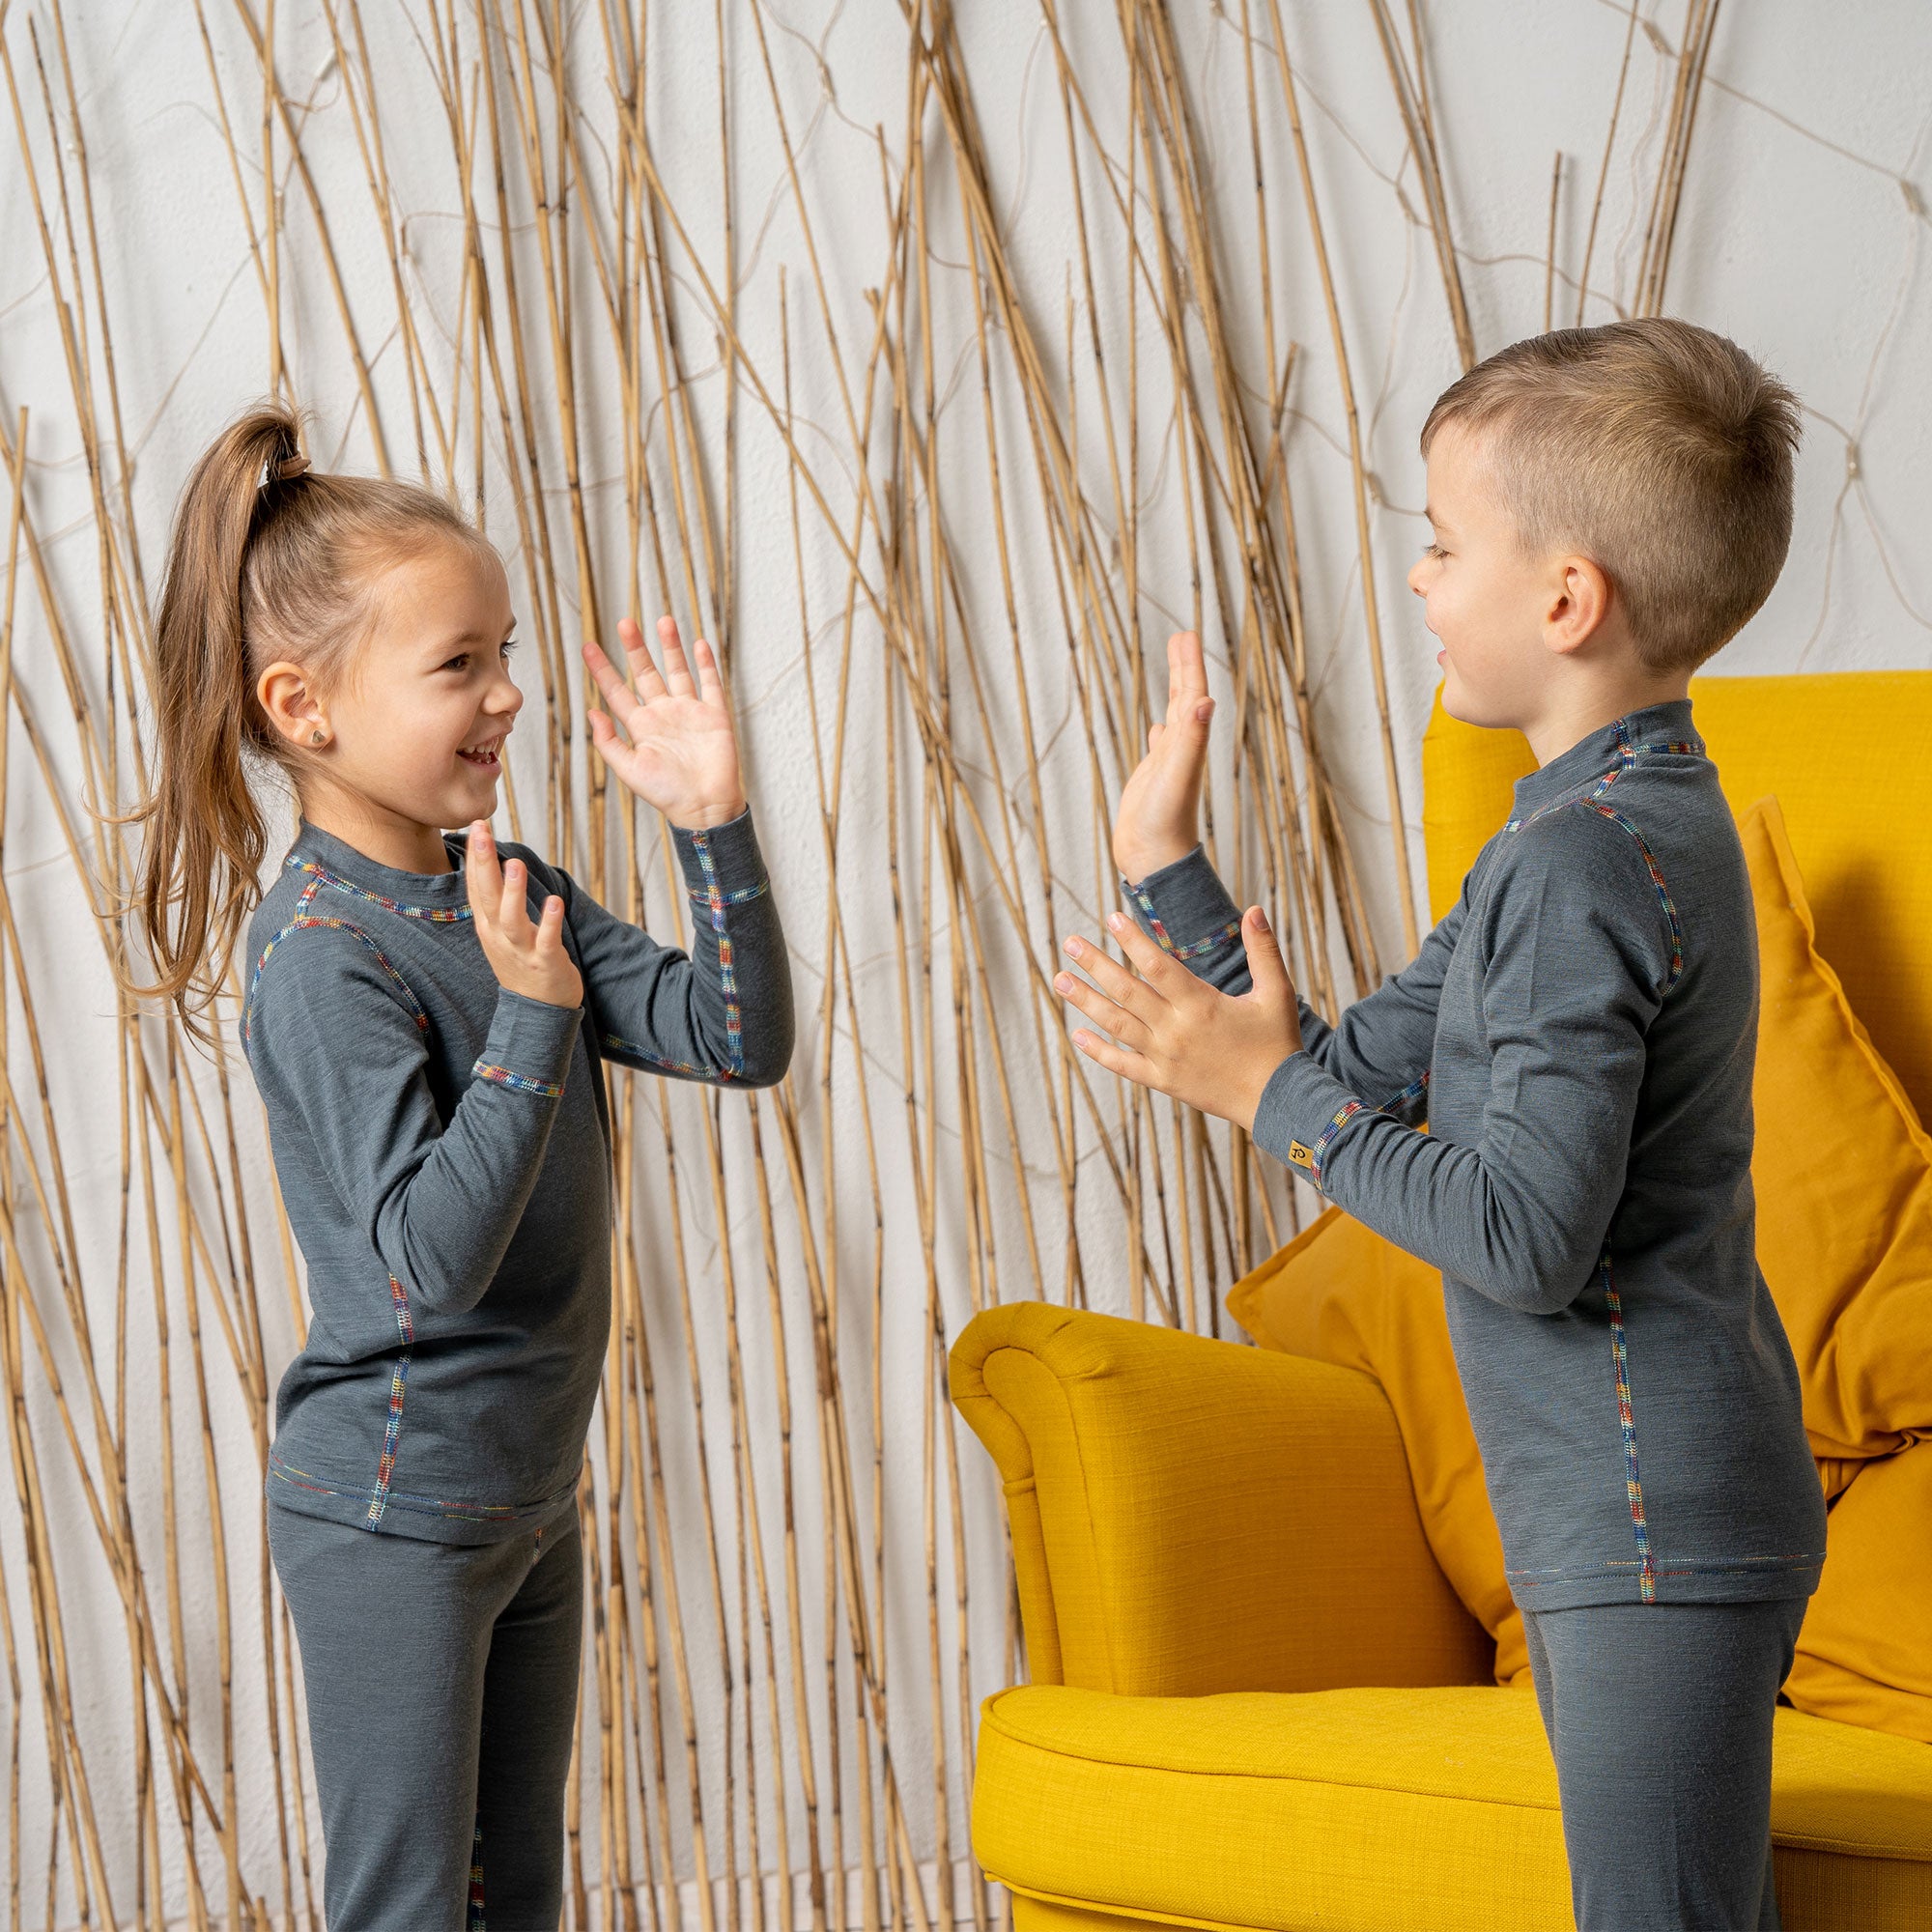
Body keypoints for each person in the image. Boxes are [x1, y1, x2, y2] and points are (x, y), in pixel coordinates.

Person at [1054, 320, 1826, 1930]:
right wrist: (1164, 860)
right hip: (1644, 1508)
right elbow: (1355, 1067)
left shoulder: (1580, 863)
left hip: (1646, 1518)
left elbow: (1523, 1236)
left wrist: (1263, 1095)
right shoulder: (1593, 826)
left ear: (1565, 600)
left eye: (1441, 544)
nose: (1416, 580)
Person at [128, 402, 793, 1931]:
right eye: (458, 665)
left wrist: (715, 825)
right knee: (412, 1907)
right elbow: (421, 1269)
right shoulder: (318, 955)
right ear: (304, 707)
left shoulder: (508, 889)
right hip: (390, 1512)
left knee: (516, 1901)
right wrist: (534, 1022)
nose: (508, 695)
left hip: (525, 1499)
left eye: (505, 653)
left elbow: (738, 1035)